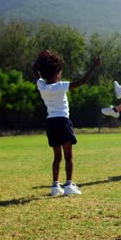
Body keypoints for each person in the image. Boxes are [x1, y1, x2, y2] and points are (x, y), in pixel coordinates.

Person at [33, 50, 101, 196]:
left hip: (50, 124)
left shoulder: (42, 87)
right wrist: (94, 66)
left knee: (57, 157)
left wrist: (40, 59)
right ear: (57, 73)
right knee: (68, 156)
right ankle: (69, 185)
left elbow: (34, 70)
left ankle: (55, 186)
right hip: (63, 121)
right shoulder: (61, 86)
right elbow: (83, 81)